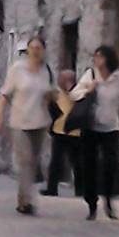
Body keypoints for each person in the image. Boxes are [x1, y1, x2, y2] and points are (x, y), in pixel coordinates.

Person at [72, 44, 119, 219]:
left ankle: (108, 200)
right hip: (90, 126)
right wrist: (88, 89)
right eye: (95, 56)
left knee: (110, 164)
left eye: (100, 56)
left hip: (110, 127)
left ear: (108, 59)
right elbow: (73, 94)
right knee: (89, 166)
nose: (97, 60)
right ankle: (91, 204)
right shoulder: (91, 75)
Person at [0, 35, 55, 215]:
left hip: (40, 121)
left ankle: (25, 197)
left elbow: (50, 94)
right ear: (27, 50)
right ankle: (25, 202)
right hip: (20, 122)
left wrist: (52, 96)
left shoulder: (46, 71)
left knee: (33, 162)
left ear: (43, 51)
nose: (36, 51)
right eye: (32, 48)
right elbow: (5, 95)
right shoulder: (17, 69)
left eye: (39, 48)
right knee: (26, 160)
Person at [43, 65, 81, 199]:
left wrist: (71, 89)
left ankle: (80, 189)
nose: (61, 82)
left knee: (77, 162)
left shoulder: (78, 93)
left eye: (64, 79)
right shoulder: (56, 94)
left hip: (75, 132)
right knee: (56, 161)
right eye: (61, 79)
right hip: (59, 131)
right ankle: (51, 188)